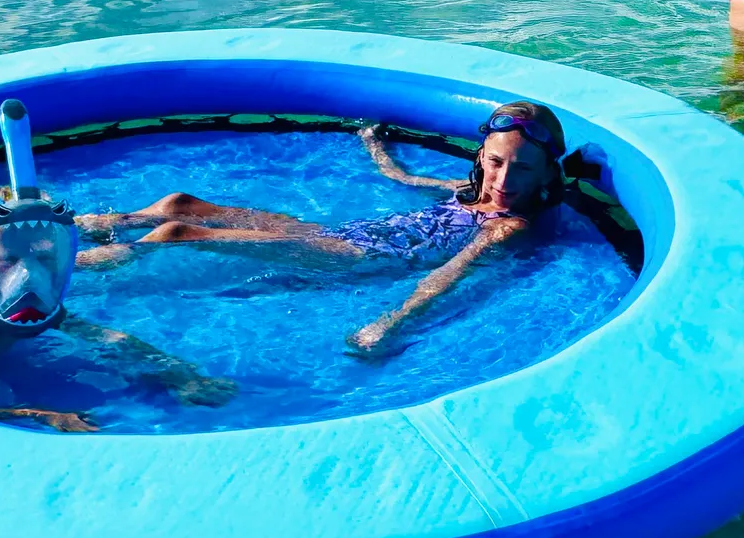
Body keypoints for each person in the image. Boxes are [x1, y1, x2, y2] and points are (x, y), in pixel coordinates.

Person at [76, 102, 571, 354]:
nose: (503, 180)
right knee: (179, 204)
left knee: (177, 232)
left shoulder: (509, 225)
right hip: (351, 232)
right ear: (480, 157)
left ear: (548, 174)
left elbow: (451, 275)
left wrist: (391, 323)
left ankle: (101, 258)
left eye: (523, 170)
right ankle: (101, 225)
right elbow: (401, 178)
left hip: (358, 258)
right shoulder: (466, 190)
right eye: (496, 163)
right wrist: (375, 147)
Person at [0, 108, 234, 432]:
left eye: (42, 260)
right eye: (12, 262)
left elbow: (110, 338)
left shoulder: (28, 294)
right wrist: (46, 415)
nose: (29, 274)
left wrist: (181, 376)